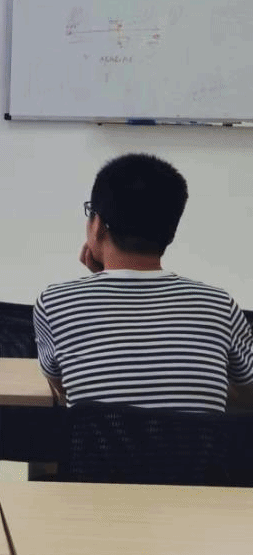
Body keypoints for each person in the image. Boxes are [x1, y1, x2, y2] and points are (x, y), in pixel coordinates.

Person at [34, 152, 253, 410]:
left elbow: (65, 386)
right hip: (194, 439)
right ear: (171, 232)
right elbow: (248, 395)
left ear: (98, 225)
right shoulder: (219, 306)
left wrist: (102, 282)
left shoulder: (56, 304)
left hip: (104, 439)